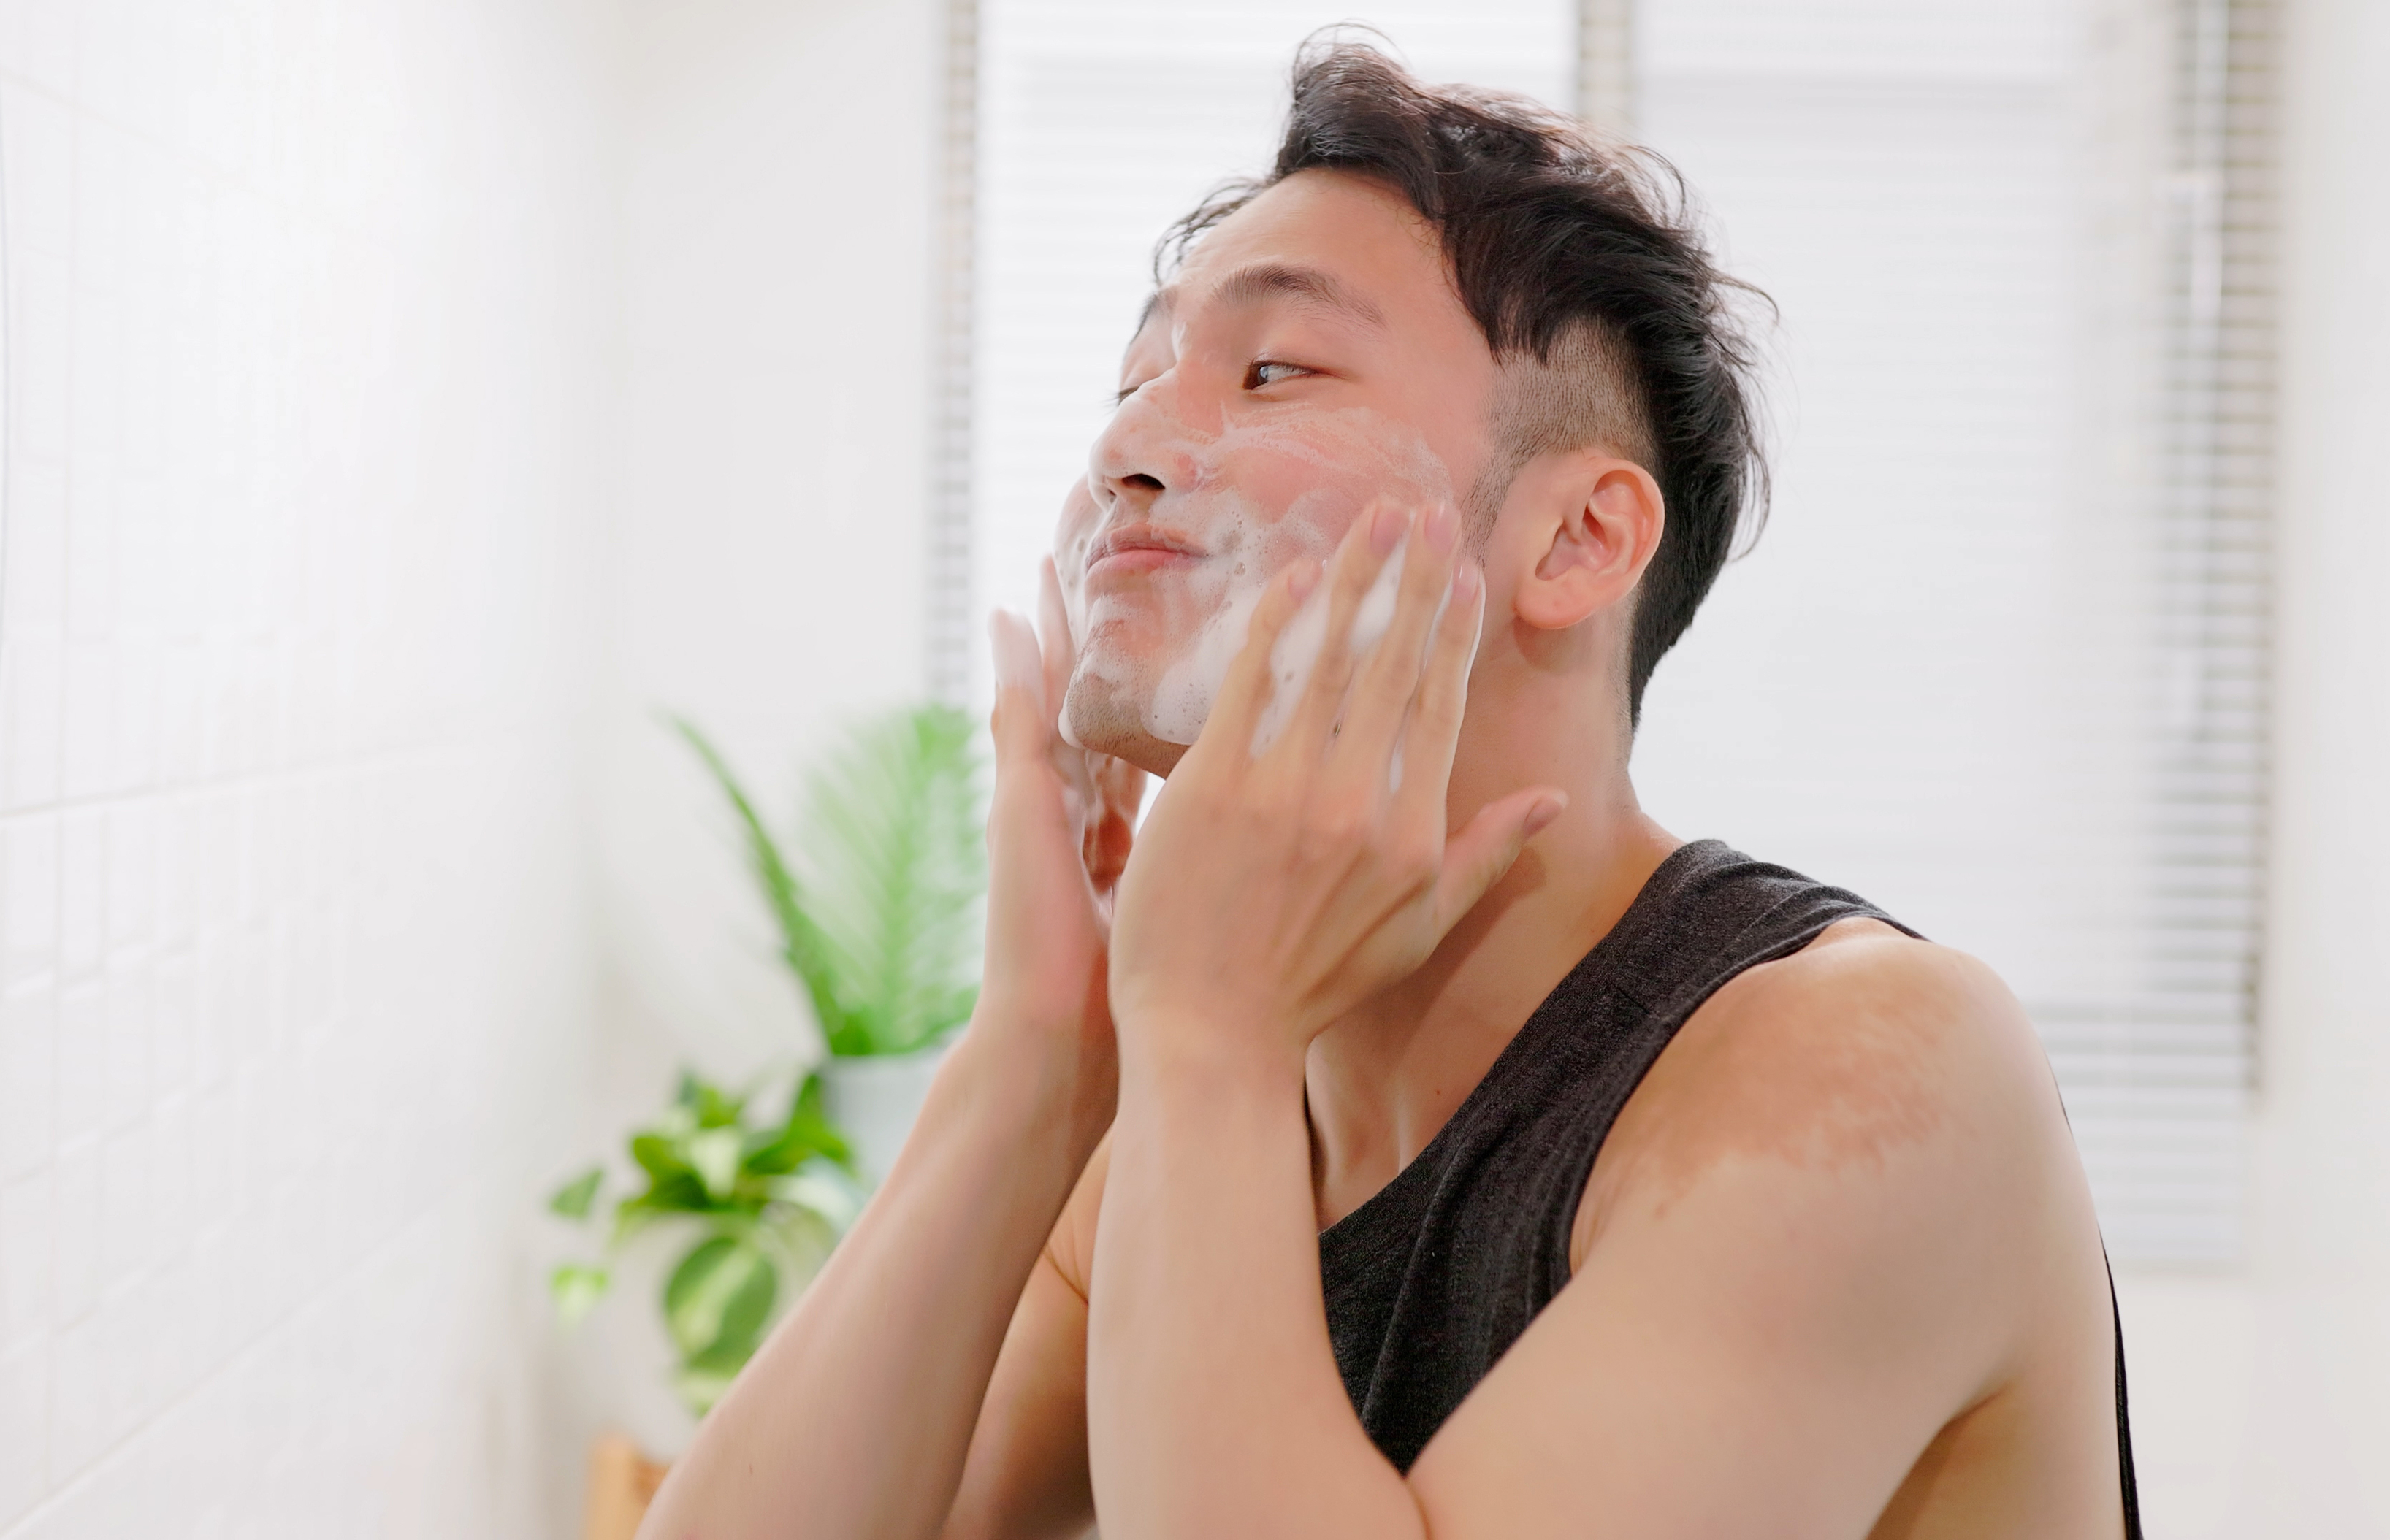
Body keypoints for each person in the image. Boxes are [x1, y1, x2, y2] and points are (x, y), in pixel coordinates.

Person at [639, 36, 2139, 1540]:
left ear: (1574, 543)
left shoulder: (1875, 1065)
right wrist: (1034, 1059)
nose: (1122, 448)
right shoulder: (1207, 1093)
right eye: (1132, 380)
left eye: (1271, 367)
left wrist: (1208, 1037)